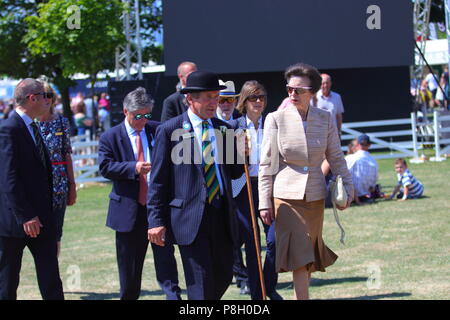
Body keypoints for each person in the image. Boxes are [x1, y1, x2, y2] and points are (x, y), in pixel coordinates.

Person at [258, 63, 354, 300]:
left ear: (313, 92)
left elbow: (336, 156)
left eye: (298, 90)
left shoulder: (325, 118)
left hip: (315, 195)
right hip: (286, 197)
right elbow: (266, 164)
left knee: (308, 256)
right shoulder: (275, 118)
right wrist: (264, 202)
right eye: (289, 89)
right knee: (300, 256)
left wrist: (348, 186)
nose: (292, 94)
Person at [147, 71, 245, 300]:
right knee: (200, 282)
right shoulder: (169, 130)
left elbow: (234, 172)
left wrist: (242, 153)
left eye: (217, 97)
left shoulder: (225, 129)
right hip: (189, 217)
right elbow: (158, 180)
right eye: (208, 97)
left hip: (221, 215)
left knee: (222, 276)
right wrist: (155, 221)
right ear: (190, 99)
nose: (214, 103)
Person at [98, 87, 181, 300]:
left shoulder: (158, 129)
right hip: (128, 212)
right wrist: (133, 168)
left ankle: (174, 298)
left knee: (166, 263)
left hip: (157, 210)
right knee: (130, 270)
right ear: (126, 111)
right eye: (138, 116)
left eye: (147, 115)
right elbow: (105, 167)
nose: (143, 120)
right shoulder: (111, 136)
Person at [0, 78, 64, 300]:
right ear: (32, 98)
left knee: (51, 281)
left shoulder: (33, 127)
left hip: (43, 220)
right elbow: (8, 179)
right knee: (7, 283)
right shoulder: (9, 129)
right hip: (16, 223)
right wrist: (26, 215)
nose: (48, 100)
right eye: (45, 96)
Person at [231, 80, 282, 300]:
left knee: (275, 240)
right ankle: (257, 297)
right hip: (244, 186)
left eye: (261, 97)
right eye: (253, 97)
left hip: (269, 185)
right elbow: (228, 166)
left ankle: (267, 286)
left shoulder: (272, 123)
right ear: (244, 100)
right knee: (252, 244)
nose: (258, 101)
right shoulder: (234, 126)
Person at [215, 80, 248, 294]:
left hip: (241, 185)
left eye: (230, 99)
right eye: (221, 99)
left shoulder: (242, 122)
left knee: (242, 235)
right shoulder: (210, 124)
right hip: (218, 189)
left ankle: (244, 274)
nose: (226, 104)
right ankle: (240, 276)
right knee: (229, 236)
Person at [38, 81, 77, 257]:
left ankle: (52, 270)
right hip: (37, 184)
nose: (46, 100)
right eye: (43, 95)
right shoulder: (30, 123)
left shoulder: (62, 122)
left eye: (49, 96)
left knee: (56, 231)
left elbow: (66, 153)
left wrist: (72, 185)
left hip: (59, 185)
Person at [345, 134, 379, 205]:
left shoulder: (349, 158)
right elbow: (374, 181)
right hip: (367, 194)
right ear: (369, 145)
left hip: (350, 195)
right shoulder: (374, 161)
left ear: (357, 144)